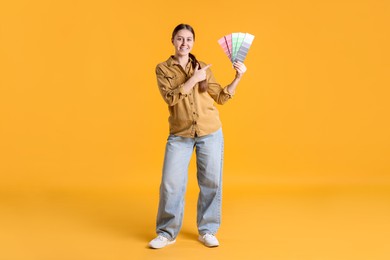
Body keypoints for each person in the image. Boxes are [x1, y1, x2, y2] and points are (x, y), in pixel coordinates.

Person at [149, 24, 247, 249]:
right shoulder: (163, 69)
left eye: (189, 40)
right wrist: (194, 79)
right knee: (170, 184)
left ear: (194, 42)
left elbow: (221, 97)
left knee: (211, 182)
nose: (184, 44)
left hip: (210, 132)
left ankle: (208, 230)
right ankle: (166, 232)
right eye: (180, 39)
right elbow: (171, 98)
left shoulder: (204, 67)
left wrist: (238, 77)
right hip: (180, 134)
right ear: (172, 40)